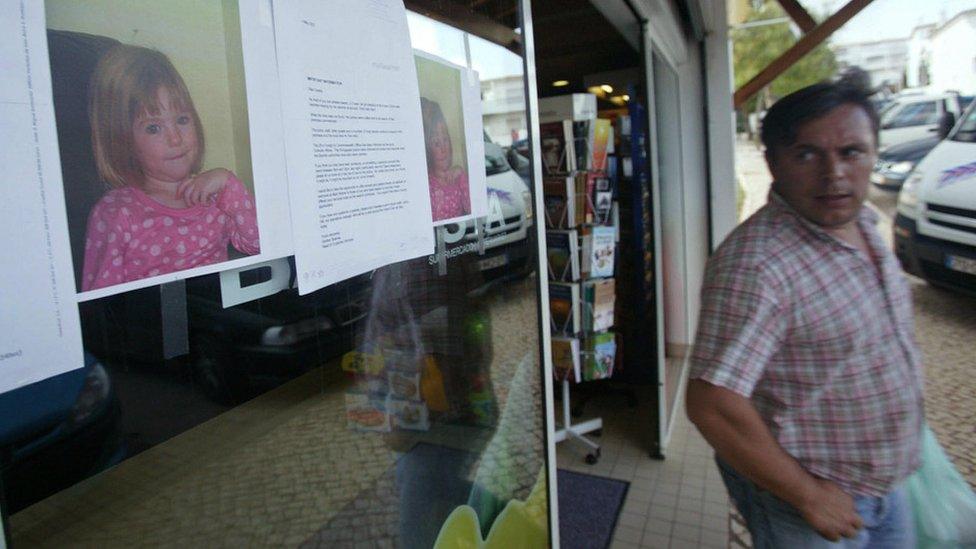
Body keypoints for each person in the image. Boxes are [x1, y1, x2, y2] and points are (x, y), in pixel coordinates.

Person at [686, 71, 924, 548]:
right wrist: (808, 495)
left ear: (873, 152)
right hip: (812, 501)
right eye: (807, 154)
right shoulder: (759, 265)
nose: (833, 174)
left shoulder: (865, 223)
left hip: (887, 483)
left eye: (851, 152)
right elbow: (713, 404)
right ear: (772, 161)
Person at [81, 44, 259, 291]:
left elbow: (257, 245)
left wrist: (230, 184)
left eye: (182, 120)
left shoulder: (216, 196)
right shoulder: (116, 213)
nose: (176, 139)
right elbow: (101, 303)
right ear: (122, 140)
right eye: (153, 128)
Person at [421, 97, 470, 222]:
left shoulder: (458, 177)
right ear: (427, 150)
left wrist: (462, 175)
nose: (444, 149)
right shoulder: (427, 184)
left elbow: (472, 210)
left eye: (446, 139)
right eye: (436, 143)